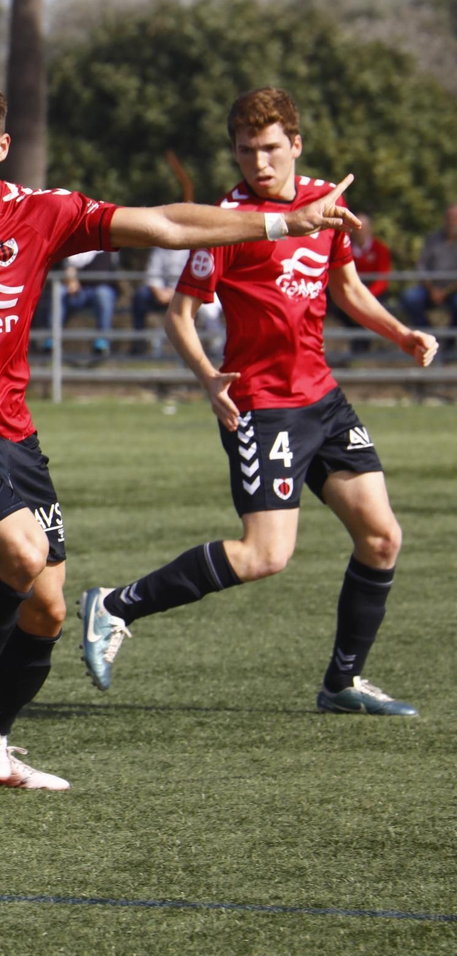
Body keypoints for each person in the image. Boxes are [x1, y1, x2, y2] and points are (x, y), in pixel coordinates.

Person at [0, 77, 359, 790]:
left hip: (14, 434)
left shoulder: (45, 214)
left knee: (49, 608)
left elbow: (166, 226)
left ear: (2, 146)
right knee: (22, 553)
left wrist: (284, 223)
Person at [79, 88, 438, 716]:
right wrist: (208, 376)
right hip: (263, 407)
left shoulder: (327, 202)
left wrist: (399, 333)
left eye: (270, 149)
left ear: (295, 145)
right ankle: (113, 606)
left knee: (381, 538)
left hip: (323, 399)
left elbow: (346, 287)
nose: (259, 163)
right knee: (266, 554)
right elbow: (179, 316)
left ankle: (342, 684)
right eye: (246, 151)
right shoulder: (227, 222)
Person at [335, 211, 392, 354]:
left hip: (373, 292)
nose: (360, 231)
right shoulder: (344, 246)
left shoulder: (380, 249)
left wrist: (366, 295)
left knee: (367, 308)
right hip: (349, 290)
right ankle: (359, 341)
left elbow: (383, 278)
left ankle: (362, 346)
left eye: (363, 227)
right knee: (337, 307)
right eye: (357, 227)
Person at [399, 204, 457, 336]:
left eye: (455, 218)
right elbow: (421, 266)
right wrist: (432, 289)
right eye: (449, 218)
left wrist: (445, 291)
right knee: (410, 298)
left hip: (453, 290)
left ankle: (449, 341)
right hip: (430, 288)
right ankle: (429, 335)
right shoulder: (432, 239)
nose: (452, 222)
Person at [59, 249, 119, 359]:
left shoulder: (109, 246)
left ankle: (103, 341)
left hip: (101, 290)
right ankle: (52, 339)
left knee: (103, 294)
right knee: (59, 292)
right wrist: (71, 280)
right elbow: (69, 266)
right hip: (80, 292)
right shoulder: (78, 244)